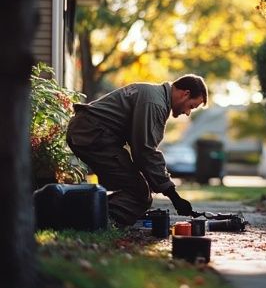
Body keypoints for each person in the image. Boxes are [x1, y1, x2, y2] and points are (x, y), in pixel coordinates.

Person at [66, 74, 208, 226]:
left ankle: (85, 214)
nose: (187, 113)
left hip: (91, 132)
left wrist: (157, 183)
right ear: (185, 93)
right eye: (191, 106)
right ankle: (95, 222)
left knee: (133, 185)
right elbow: (145, 152)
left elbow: (142, 150)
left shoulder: (154, 94)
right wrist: (174, 196)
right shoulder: (155, 103)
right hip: (92, 134)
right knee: (139, 193)